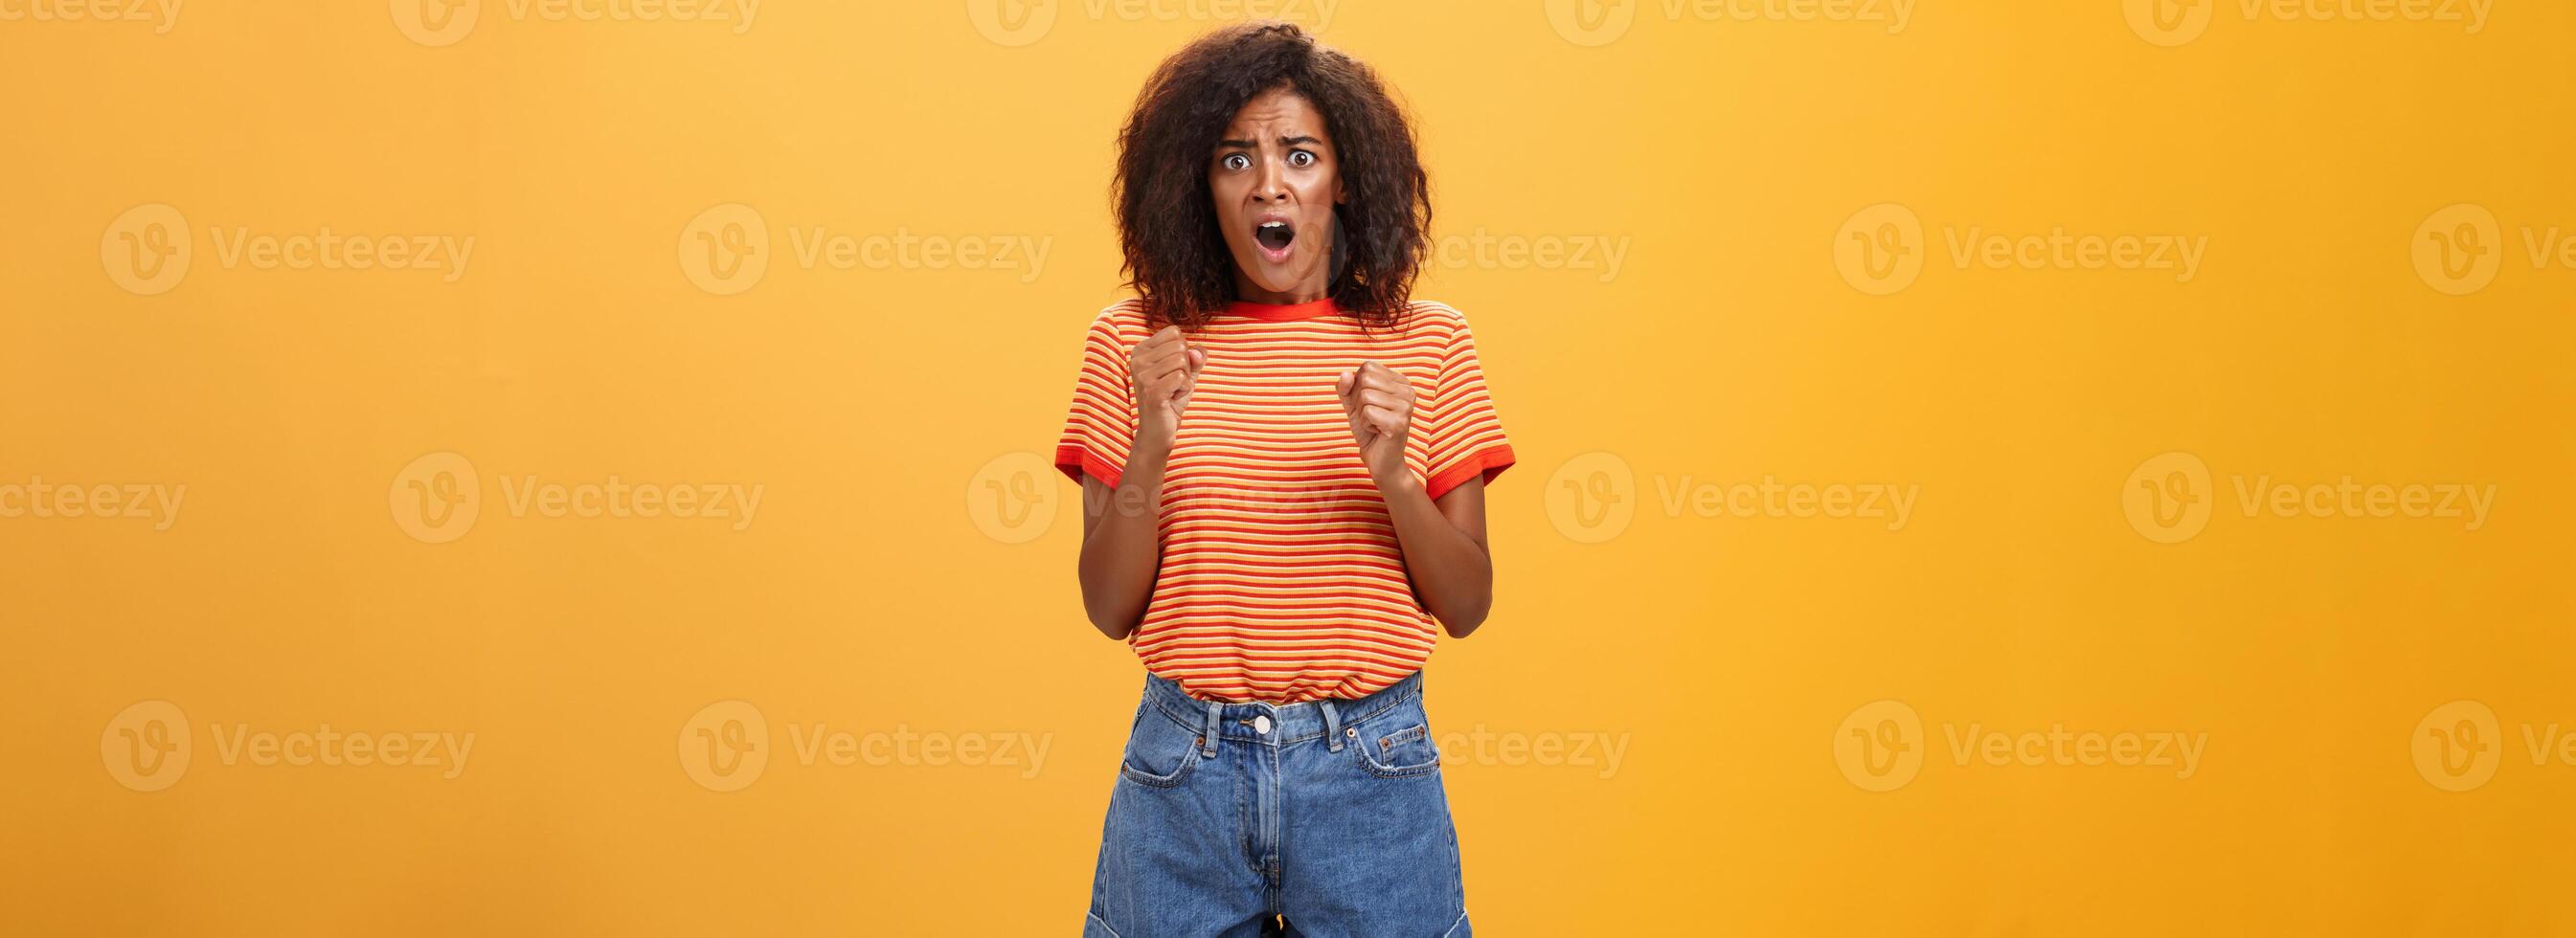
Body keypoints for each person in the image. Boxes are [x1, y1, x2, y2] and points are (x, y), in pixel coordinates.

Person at [1053, 20, 1513, 937]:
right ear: (1199, 186)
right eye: (1235, 160)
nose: (1269, 183)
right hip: (1184, 775)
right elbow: (1109, 609)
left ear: (1344, 180)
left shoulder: (1428, 341)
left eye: (1300, 155)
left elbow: (1466, 605)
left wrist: (1393, 475)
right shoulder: (1132, 343)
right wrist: (1151, 441)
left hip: (1370, 774)